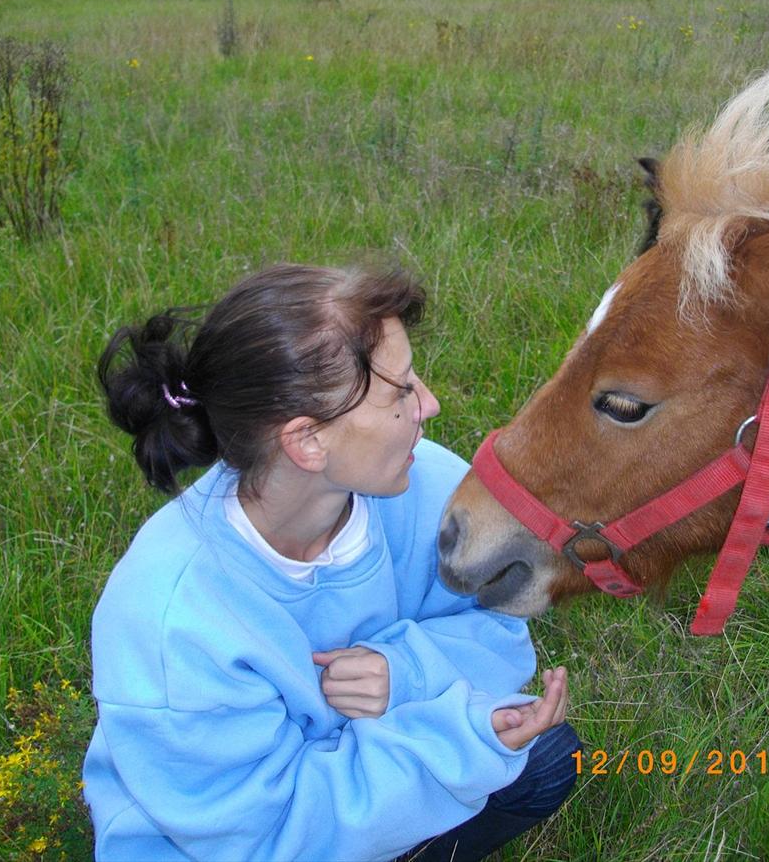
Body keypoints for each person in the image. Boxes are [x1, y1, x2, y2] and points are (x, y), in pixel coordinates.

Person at [84, 263, 580, 861]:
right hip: (245, 846)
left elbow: (500, 631)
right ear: (307, 441)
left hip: (352, 786)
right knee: (491, 753)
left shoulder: (424, 487)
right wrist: (457, 741)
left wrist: (406, 673)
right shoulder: (170, 614)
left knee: (548, 759)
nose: (431, 403)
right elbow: (271, 839)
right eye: (400, 391)